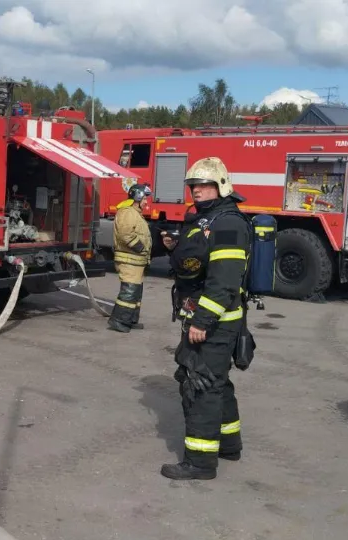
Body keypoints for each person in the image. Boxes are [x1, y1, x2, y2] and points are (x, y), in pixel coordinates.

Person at [159, 156, 252, 481]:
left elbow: (224, 281)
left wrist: (201, 321)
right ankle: (229, 444)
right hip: (210, 317)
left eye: (204, 184)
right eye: (193, 185)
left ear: (221, 185)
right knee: (217, 382)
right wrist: (175, 246)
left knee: (199, 386)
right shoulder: (205, 219)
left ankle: (199, 462)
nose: (196, 190)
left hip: (214, 321)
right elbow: (198, 264)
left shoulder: (227, 223)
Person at [108, 183, 153, 333]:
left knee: (135, 291)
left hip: (136, 261)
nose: (146, 202)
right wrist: (140, 247)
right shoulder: (127, 212)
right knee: (129, 291)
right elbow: (125, 234)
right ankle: (118, 321)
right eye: (145, 198)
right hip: (129, 260)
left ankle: (130, 320)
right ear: (138, 197)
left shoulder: (135, 213)